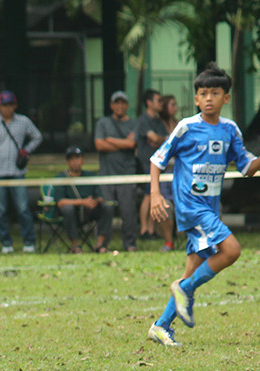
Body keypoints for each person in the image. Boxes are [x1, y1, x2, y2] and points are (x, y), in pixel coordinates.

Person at [147, 63, 260, 348]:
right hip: (190, 206)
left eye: (215, 93)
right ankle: (184, 288)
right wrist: (156, 195)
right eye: (204, 93)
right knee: (231, 250)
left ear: (226, 98)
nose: (209, 98)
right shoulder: (186, 127)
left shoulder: (230, 130)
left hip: (209, 208)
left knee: (193, 268)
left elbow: (247, 168)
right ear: (196, 98)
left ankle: (161, 326)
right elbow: (157, 160)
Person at [0, 90, 42, 254]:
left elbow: (37, 136)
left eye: (10, 105)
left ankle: (29, 242)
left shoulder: (23, 121)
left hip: (17, 172)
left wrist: (26, 150)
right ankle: (6, 243)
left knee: (23, 208)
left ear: (15, 106)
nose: (7, 108)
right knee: (0, 210)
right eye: (4, 105)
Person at [94, 90, 138, 253]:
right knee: (106, 209)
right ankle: (102, 244)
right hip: (106, 175)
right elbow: (99, 145)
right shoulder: (103, 123)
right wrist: (123, 143)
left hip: (127, 174)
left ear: (127, 106)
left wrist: (110, 140)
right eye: (116, 103)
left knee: (128, 211)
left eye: (123, 103)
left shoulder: (134, 123)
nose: (120, 106)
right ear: (111, 106)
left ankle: (130, 244)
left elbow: (132, 144)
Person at [48, 147, 109, 254]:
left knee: (107, 207)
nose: (75, 162)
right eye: (72, 159)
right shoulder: (61, 177)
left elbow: (100, 196)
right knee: (68, 209)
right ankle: (75, 245)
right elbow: (60, 202)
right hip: (71, 214)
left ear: (83, 160)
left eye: (78, 158)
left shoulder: (91, 176)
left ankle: (100, 245)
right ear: (67, 162)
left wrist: (94, 201)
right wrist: (82, 202)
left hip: (89, 211)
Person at [134, 89, 173, 249]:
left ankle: (151, 229)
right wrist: (160, 139)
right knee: (148, 195)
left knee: (155, 195)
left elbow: (167, 140)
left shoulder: (158, 122)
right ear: (149, 103)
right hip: (146, 164)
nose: (161, 104)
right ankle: (144, 229)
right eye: (158, 100)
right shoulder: (143, 120)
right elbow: (156, 138)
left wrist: (159, 140)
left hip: (160, 164)